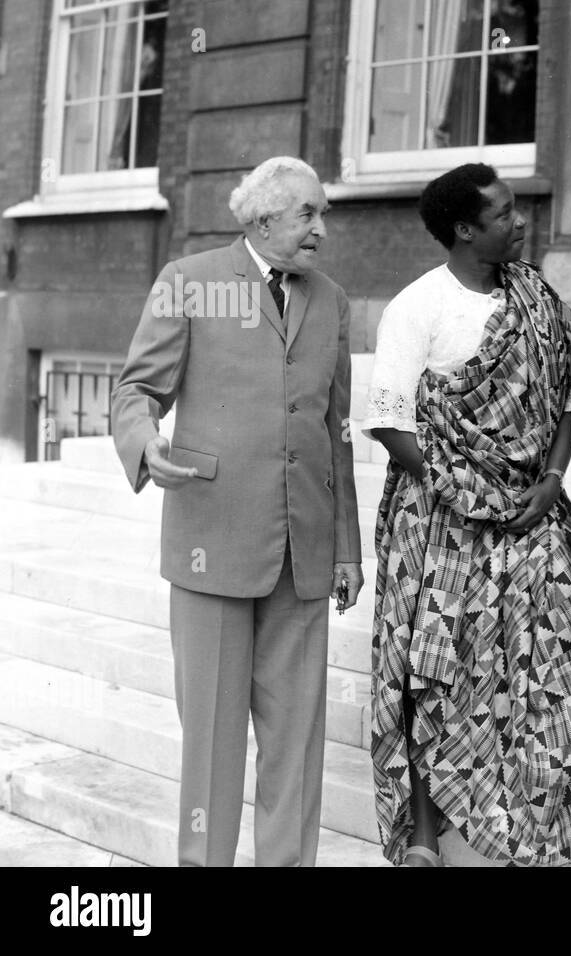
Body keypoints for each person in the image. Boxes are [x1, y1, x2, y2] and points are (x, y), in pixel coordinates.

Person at [363, 163, 571, 867]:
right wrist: (465, 489)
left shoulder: (536, 297)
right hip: (443, 520)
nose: (521, 221)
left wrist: (552, 478)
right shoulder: (418, 308)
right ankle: (424, 832)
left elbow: (568, 401)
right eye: (504, 214)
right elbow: (388, 422)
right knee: (435, 668)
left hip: (535, 511)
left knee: (553, 658)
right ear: (465, 230)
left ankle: (541, 816)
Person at [110, 156, 363, 866]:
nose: (322, 227)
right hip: (211, 543)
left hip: (303, 557)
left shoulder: (331, 299)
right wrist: (143, 443)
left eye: (323, 214)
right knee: (213, 746)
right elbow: (135, 390)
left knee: (296, 744)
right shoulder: (189, 283)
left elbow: (334, 432)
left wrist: (347, 547)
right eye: (308, 214)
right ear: (262, 220)